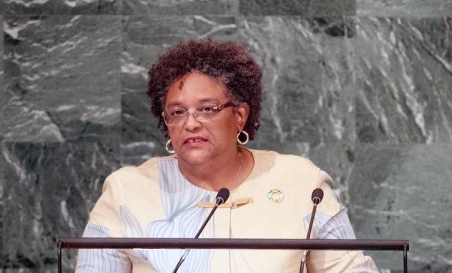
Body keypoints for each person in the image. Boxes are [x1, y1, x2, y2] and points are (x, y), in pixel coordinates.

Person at [76, 38, 378, 272]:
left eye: (207, 109)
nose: (190, 123)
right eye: (177, 112)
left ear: (239, 116)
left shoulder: (303, 184)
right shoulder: (126, 193)